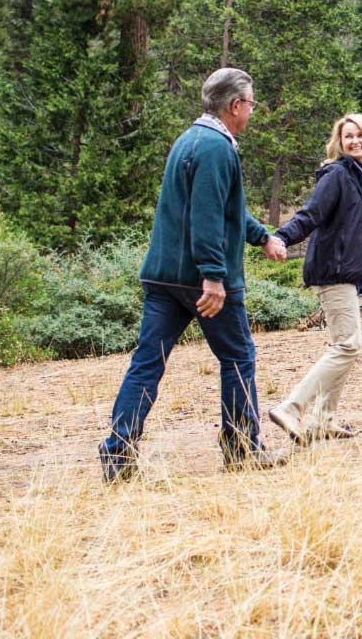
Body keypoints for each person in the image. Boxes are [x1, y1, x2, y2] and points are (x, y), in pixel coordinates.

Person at [98, 68, 291, 483]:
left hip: (163, 279)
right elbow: (207, 217)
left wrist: (262, 238)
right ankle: (242, 450)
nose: (252, 111)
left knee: (146, 364)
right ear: (235, 106)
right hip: (200, 283)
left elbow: (224, 206)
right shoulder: (218, 149)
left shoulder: (189, 140)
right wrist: (214, 277)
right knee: (238, 359)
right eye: (251, 103)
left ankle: (117, 455)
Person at [265, 112, 362, 445]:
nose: (355, 141)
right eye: (348, 136)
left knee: (343, 345)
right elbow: (310, 214)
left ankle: (323, 419)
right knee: (349, 345)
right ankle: (292, 407)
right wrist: (281, 238)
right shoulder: (337, 175)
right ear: (340, 142)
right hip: (333, 269)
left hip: (350, 270)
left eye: (361, 135)